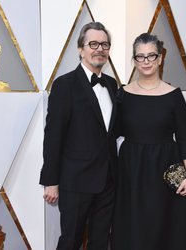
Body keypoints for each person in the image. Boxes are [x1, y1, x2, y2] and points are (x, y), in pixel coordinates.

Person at [111, 33, 186, 250]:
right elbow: (111, 134)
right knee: (133, 225)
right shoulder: (122, 94)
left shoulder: (174, 95)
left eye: (151, 56)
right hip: (131, 169)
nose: (146, 61)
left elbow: (184, 137)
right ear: (134, 61)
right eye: (140, 57)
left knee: (166, 226)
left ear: (160, 59)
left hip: (166, 168)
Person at [39, 22, 118, 250]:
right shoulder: (64, 85)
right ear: (80, 49)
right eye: (93, 43)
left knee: (100, 242)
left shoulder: (112, 84)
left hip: (108, 181)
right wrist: (51, 181)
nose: (99, 49)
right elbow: (53, 135)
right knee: (70, 241)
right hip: (75, 181)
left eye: (104, 44)